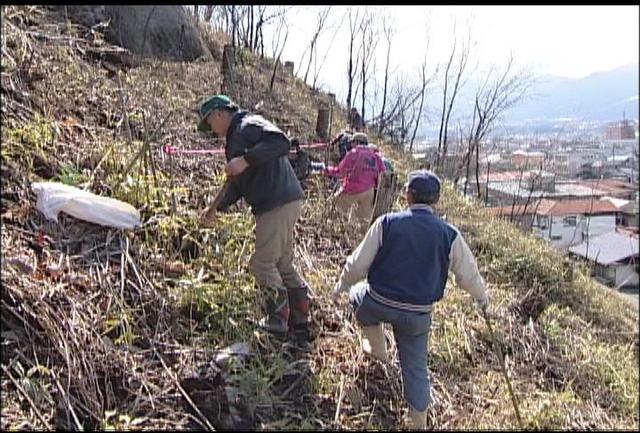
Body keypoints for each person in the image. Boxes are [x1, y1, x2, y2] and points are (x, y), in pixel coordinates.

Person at [331, 170, 490, 430]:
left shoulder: (387, 223)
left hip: (378, 301)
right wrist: (482, 298)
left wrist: (343, 284)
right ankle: (417, 422)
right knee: (416, 370)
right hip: (417, 315)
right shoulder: (448, 234)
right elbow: (468, 273)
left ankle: (376, 349)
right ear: (435, 200)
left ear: (408, 195)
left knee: (356, 295)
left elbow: (358, 264)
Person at [197, 94, 311, 345]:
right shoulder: (235, 139)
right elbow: (239, 184)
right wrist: (217, 208)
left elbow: (281, 142)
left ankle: (277, 323)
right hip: (282, 200)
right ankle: (299, 322)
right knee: (282, 263)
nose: (212, 131)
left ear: (218, 114)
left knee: (262, 264)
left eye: (210, 124)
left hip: (276, 202)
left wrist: (245, 159)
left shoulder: (247, 125)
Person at [324, 132, 386, 224]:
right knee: (363, 221)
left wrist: (327, 170)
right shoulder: (376, 156)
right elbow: (384, 174)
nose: (351, 145)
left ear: (357, 142)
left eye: (352, 142)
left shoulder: (353, 153)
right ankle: (358, 236)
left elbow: (340, 172)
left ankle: (331, 227)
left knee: (335, 205)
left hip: (353, 189)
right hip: (370, 192)